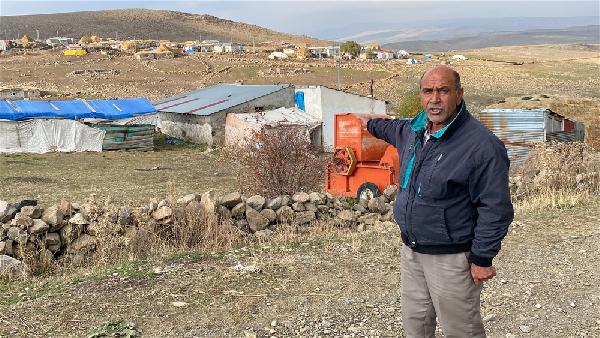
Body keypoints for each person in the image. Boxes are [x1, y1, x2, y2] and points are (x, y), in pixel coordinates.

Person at [362, 66, 514, 337]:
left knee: (461, 330)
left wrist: (482, 257)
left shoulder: (482, 146)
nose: (435, 99)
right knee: (415, 324)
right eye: (428, 91)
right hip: (412, 251)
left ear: (459, 94)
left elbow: (496, 208)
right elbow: (390, 127)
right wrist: (368, 122)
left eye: (443, 91)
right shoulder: (413, 130)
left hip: (452, 258)